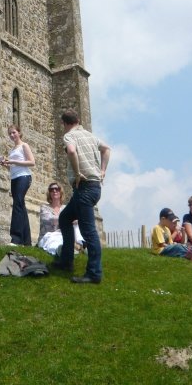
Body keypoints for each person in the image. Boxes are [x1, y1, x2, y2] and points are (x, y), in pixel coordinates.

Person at [56, 109, 110, 284]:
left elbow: (71, 151)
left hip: (84, 188)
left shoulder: (69, 136)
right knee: (64, 218)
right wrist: (102, 171)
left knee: (89, 232)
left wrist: (78, 173)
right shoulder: (90, 136)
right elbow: (107, 149)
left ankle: (94, 273)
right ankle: (66, 262)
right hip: (94, 187)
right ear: (78, 120)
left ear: (65, 123)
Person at [0, 124, 35, 246]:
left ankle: (16, 238)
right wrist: (6, 164)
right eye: (10, 134)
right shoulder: (12, 150)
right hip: (14, 178)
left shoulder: (24, 146)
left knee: (17, 204)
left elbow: (32, 162)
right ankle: (27, 241)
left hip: (24, 177)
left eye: (14, 132)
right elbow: (13, 167)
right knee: (21, 206)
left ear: (19, 133)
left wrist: (13, 161)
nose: (12, 135)